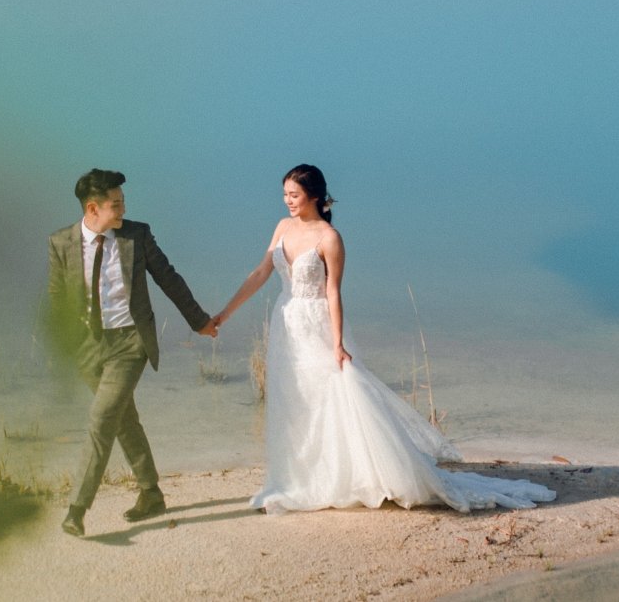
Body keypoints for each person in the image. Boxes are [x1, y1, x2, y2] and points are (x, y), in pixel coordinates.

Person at [209, 164, 555, 513]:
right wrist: (225, 313)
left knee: (329, 395)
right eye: (284, 194)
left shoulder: (329, 238)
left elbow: (333, 293)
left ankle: (342, 477)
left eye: (294, 195)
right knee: (293, 400)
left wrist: (338, 342)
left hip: (317, 326)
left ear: (314, 196)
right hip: (286, 324)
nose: (288, 201)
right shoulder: (283, 228)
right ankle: (298, 477)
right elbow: (260, 272)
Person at [45, 168, 218, 538]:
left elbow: (168, 277)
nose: (123, 208)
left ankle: (77, 509)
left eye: (123, 201)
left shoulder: (136, 235)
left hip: (129, 343)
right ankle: (151, 493)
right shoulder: (61, 242)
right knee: (123, 419)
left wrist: (199, 321)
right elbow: (57, 300)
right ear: (92, 208)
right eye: (115, 204)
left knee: (102, 418)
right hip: (88, 347)